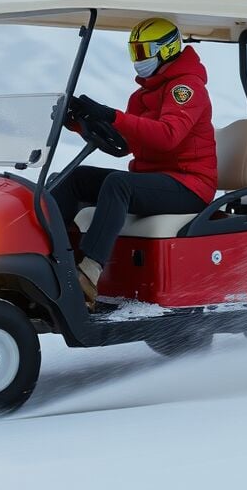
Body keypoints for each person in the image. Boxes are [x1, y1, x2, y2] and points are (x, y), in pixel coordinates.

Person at [53, 17, 217, 305]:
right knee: (76, 178)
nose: (137, 59)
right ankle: (51, 254)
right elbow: (125, 145)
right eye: (134, 51)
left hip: (190, 185)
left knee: (119, 184)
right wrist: (79, 122)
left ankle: (89, 273)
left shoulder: (186, 89)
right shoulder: (142, 95)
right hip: (155, 181)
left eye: (143, 51)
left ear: (167, 49)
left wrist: (112, 115)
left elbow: (168, 136)